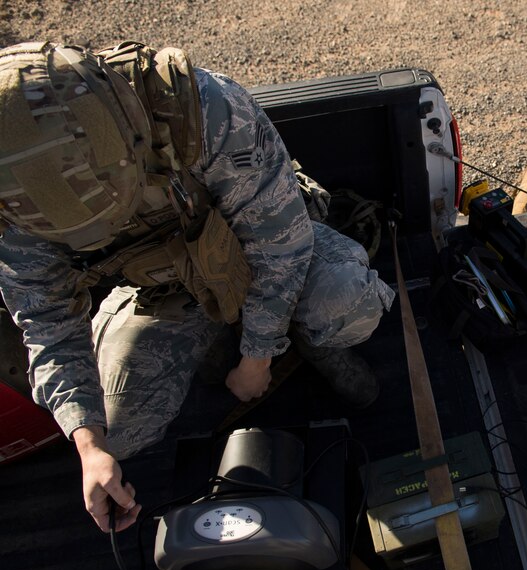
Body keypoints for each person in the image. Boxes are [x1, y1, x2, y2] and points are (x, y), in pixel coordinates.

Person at [0, 42, 394, 533]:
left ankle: (308, 343)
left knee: (347, 303)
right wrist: (91, 447)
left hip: (260, 248)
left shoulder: (196, 111)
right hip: (162, 289)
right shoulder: (11, 197)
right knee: (114, 428)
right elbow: (47, 320)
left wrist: (255, 360)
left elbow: (280, 247)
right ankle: (213, 344)